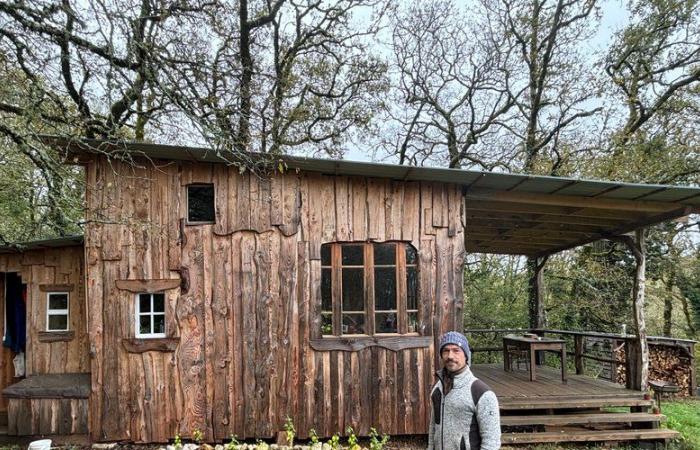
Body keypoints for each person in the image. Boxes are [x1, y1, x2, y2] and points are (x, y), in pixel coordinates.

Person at [427, 331, 501, 450]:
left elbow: (491, 441)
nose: (450, 356)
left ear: (466, 355)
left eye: (456, 350)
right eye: (446, 350)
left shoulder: (481, 393)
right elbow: (433, 428)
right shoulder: (438, 388)